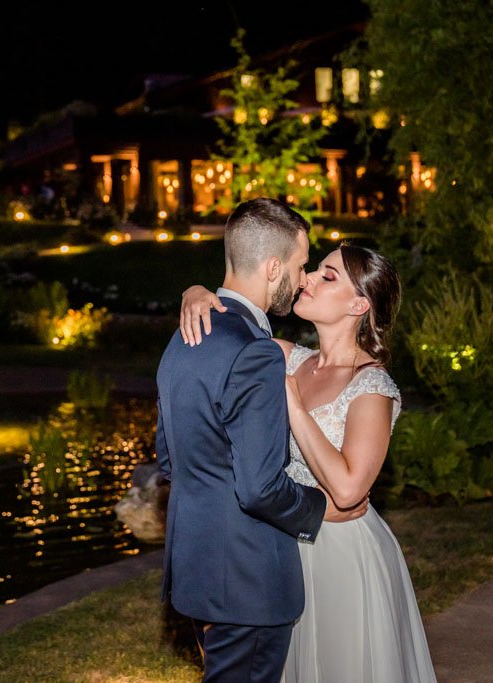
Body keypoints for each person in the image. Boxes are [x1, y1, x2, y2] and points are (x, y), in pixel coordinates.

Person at [180, 242, 437, 683]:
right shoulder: (286, 355)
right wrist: (196, 292)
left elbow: (350, 489)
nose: (308, 279)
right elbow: (227, 332)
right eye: (314, 269)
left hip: (341, 555)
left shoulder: (371, 386)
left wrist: (295, 407)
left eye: (327, 276)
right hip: (278, 547)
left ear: (359, 305)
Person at [156, 198, 368, 682]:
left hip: (198, 569)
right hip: (248, 579)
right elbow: (258, 488)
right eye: (299, 265)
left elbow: (169, 458)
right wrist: (324, 509)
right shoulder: (255, 352)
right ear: (274, 267)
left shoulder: (187, 335)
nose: (302, 278)